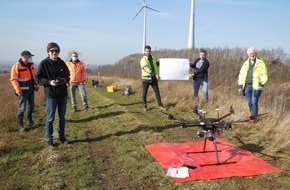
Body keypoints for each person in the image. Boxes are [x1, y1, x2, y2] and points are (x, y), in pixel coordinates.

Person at [36, 42, 70, 145]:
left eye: (56, 51)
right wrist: (49, 82)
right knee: (50, 118)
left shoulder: (62, 63)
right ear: (48, 52)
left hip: (63, 95)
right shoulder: (44, 63)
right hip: (51, 95)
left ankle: (62, 137)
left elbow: (68, 76)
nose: (54, 52)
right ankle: (49, 139)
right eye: (52, 51)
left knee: (62, 118)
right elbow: (38, 79)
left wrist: (64, 80)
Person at [10, 51, 39, 132]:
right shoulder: (17, 66)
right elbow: (13, 79)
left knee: (31, 106)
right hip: (22, 92)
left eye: (30, 56)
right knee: (22, 108)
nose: (30, 58)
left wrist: (36, 86)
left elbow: (34, 77)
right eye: (29, 56)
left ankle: (29, 122)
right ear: (24, 56)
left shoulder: (31, 65)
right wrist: (18, 91)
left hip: (31, 90)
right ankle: (20, 125)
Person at [238, 47, 268, 123]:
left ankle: (254, 119)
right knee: (250, 103)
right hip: (247, 86)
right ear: (248, 54)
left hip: (256, 86)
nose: (252, 55)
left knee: (254, 102)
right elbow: (241, 75)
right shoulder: (245, 63)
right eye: (250, 53)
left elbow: (265, 74)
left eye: (253, 53)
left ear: (256, 54)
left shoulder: (261, 63)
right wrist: (240, 86)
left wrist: (262, 82)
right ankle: (253, 115)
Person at [140, 45, 166, 111]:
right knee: (144, 93)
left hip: (153, 78)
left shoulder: (153, 58)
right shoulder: (143, 60)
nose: (148, 52)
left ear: (150, 51)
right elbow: (146, 69)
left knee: (157, 92)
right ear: (144, 51)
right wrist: (153, 74)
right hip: (146, 79)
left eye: (149, 51)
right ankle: (144, 106)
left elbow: (155, 66)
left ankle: (160, 105)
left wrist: (159, 63)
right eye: (146, 51)